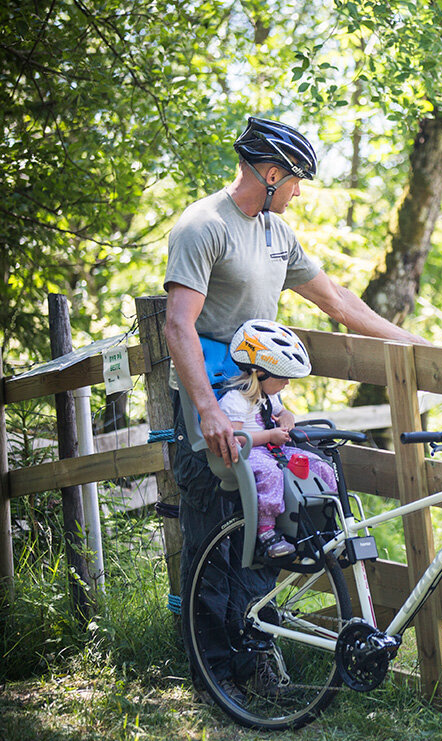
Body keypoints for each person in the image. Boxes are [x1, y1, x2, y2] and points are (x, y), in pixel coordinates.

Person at [164, 116, 425, 697]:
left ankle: (254, 654)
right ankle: (214, 676)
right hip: (210, 401)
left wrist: (413, 345)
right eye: (298, 179)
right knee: (212, 531)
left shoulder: (278, 234)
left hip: (258, 399)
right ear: (272, 172)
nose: (300, 191)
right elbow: (178, 326)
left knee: (267, 526)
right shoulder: (204, 227)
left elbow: (335, 300)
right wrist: (206, 410)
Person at [220, 319, 336, 560]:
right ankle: (267, 531)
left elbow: (282, 412)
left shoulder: (268, 396)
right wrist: (270, 435)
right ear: (260, 372)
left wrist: (287, 417)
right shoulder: (236, 400)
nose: (287, 383)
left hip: (276, 451)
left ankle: (327, 522)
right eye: (282, 377)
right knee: (271, 474)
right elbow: (235, 438)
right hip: (250, 454)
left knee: (320, 466)